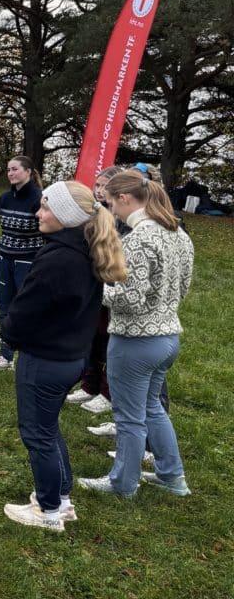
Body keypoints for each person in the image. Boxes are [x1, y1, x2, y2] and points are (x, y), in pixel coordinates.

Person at [0, 181, 127, 531]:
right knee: (48, 428)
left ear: (67, 214)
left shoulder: (59, 259)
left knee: (37, 434)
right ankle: (63, 499)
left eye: (45, 207)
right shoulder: (83, 250)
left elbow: (25, 311)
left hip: (45, 360)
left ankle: (48, 510)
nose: (38, 213)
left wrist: (7, 330)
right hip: (70, 357)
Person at [78, 170, 195, 498]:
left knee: (129, 417)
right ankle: (172, 476)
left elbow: (129, 299)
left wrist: (99, 291)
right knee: (151, 408)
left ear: (126, 199)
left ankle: (122, 484)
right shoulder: (178, 234)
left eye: (112, 202)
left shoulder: (139, 239)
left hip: (135, 341)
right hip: (167, 336)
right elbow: (182, 287)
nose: (111, 210)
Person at [67, 166, 125, 412]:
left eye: (105, 186)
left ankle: (107, 391)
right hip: (93, 282)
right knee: (94, 337)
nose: (99, 190)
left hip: (114, 286)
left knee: (111, 341)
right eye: (97, 185)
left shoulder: (123, 219)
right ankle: (88, 385)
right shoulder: (92, 213)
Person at [0, 156, 44, 372]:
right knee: (4, 309)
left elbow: (46, 231)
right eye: (8, 169)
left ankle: (29, 358)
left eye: (15, 169)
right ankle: (5, 356)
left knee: (25, 309)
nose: (10, 173)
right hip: (4, 258)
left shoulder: (39, 199)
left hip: (28, 261)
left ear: (28, 172)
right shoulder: (6, 198)